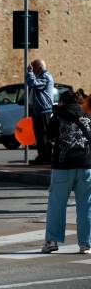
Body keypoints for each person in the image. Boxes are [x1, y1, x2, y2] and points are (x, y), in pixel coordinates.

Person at [41, 91, 91, 254]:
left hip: (62, 166)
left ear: (62, 102)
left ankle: (52, 241)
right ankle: (86, 244)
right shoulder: (87, 115)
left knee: (57, 204)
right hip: (85, 165)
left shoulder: (57, 116)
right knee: (86, 205)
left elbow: (49, 137)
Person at [27, 59, 56, 165]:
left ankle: (47, 158)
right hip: (39, 110)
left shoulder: (45, 76)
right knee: (39, 136)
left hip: (44, 111)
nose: (33, 71)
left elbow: (33, 83)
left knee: (44, 135)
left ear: (39, 67)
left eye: (34, 68)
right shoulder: (41, 76)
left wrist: (29, 73)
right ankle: (42, 157)